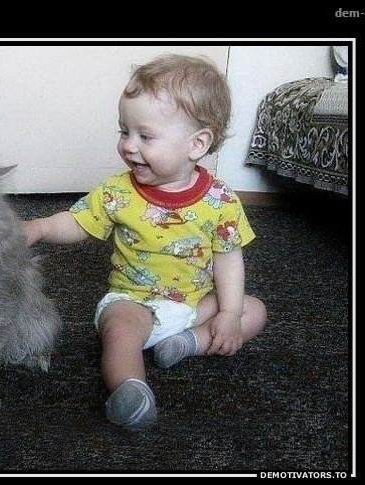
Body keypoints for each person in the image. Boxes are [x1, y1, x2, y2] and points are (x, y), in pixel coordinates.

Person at [23, 54, 267, 431]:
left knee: (253, 311)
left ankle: (189, 343)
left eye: (145, 136)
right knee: (118, 333)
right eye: (125, 132)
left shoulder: (220, 200)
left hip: (194, 303)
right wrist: (40, 227)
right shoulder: (118, 192)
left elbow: (229, 260)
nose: (129, 146)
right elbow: (78, 221)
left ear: (197, 144)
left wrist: (229, 314)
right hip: (133, 301)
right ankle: (131, 390)